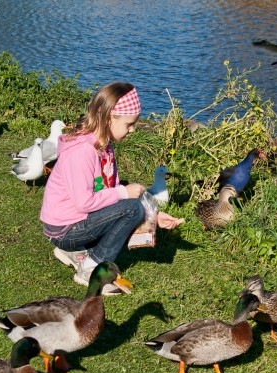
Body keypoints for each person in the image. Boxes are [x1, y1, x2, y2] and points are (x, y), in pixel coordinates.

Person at [40, 82, 184, 286]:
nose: (132, 130)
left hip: (75, 222)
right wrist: (124, 193)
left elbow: (110, 192)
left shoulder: (103, 146)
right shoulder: (82, 152)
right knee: (131, 209)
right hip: (64, 229)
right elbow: (84, 203)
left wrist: (154, 216)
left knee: (132, 208)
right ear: (109, 118)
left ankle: (75, 251)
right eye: (129, 124)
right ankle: (90, 269)